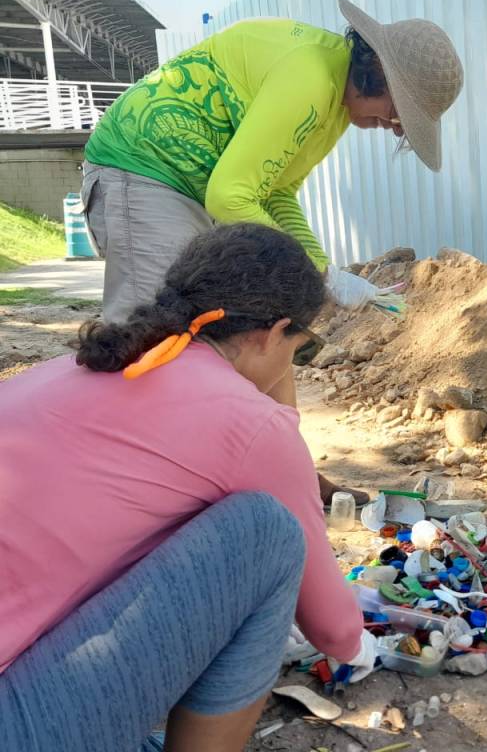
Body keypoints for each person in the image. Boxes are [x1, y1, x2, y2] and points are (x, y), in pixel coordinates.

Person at [0, 224, 376, 752]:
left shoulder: (63, 372)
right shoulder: (252, 423)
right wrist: (366, 645)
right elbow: (337, 632)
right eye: (300, 350)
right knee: (265, 535)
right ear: (274, 333)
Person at [81, 0, 464, 502]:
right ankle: (124, 486)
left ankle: (286, 466)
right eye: (400, 112)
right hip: (144, 169)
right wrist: (318, 277)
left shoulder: (333, 107)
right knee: (149, 338)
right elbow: (230, 194)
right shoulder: (310, 79)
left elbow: (275, 192)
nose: (395, 126)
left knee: (271, 319)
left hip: (190, 183)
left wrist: (317, 268)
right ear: (378, 74)